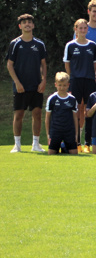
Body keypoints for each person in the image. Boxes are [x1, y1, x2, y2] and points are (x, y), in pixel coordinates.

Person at [6, 13, 48, 153]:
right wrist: (17, 82)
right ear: (20, 26)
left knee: (37, 113)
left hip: (36, 85)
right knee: (19, 115)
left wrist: (43, 80)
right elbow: (10, 65)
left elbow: (43, 64)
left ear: (33, 25)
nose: (27, 24)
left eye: (29, 22)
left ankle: (35, 144)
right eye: (24, 22)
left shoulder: (39, 44)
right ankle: (17, 145)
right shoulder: (15, 43)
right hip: (20, 86)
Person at [64, 18, 96, 152]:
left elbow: (95, 64)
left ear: (87, 30)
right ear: (76, 29)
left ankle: (87, 143)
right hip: (75, 81)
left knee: (89, 111)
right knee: (77, 111)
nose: (83, 30)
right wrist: (71, 79)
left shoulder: (92, 45)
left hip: (90, 80)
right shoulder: (70, 45)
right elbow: (67, 64)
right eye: (80, 28)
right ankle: (76, 141)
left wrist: (92, 76)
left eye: (85, 28)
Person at [45, 72, 78, 155]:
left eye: (64, 85)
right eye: (60, 85)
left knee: (74, 154)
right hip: (56, 130)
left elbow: (75, 117)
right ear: (55, 85)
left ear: (68, 85)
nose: (62, 87)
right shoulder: (51, 99)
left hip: (69, 131)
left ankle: (64, 147)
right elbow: (47, 117)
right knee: (51, 154)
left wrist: (76, 134)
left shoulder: (72, 99)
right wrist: (48, 134)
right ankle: (62, 146)